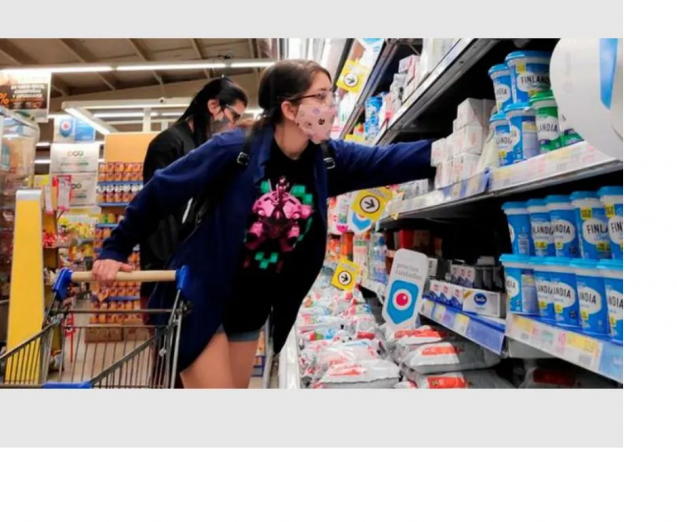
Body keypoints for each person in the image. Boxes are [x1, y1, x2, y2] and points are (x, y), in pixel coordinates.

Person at [92, 60, 433, 389]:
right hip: (201, 296)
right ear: (289, 109)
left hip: (251, 303)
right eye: (320, 96)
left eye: (331, 95)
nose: (331, 105)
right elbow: (161, 190)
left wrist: (448, 148)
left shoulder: (326, 158)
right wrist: (115, 249)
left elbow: (386, 161)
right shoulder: (234, 149)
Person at [140, 76, 249, 289]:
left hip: (191, 263)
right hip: (168, 270)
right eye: (234, 116)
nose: (233, 124)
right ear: (213, 105)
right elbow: (156, 210)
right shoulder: (169, 144)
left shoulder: (203, 146)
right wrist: (167, 269)